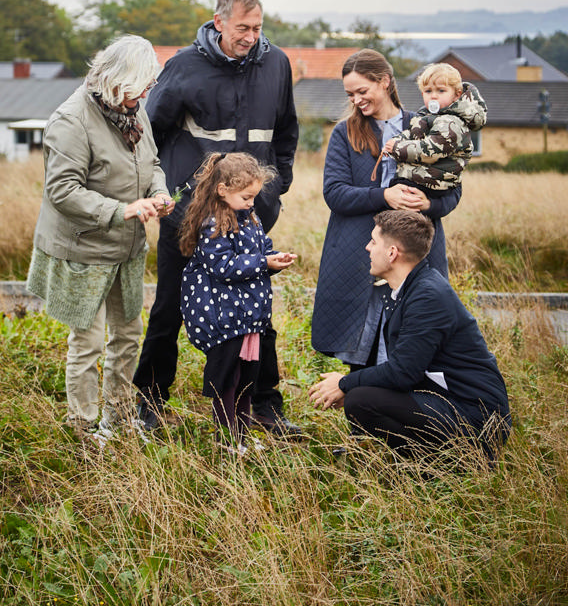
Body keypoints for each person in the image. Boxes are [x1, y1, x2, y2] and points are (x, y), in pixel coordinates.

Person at [132, 0, 300, 435]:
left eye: (257, 27)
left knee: (257, 311)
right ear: (219, 21)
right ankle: (149, 401)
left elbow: (286, 131)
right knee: (168, 307)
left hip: (251, 215)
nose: (250, 36)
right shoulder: (184, 67)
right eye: (242, 27)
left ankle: (264, 405)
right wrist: (170, 193)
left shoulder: (277, 64)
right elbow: (151, 134)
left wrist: (274, 188)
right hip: (188, 219)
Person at [27, 35, 174, 444]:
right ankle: (84, 428)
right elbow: (63, 190)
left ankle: (120, 421)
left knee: (127, 337)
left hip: (126, 248)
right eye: (140, 86)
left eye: (148, 86)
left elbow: (153, 163)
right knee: (87, 343)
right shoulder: (71, 120)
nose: (146, 94)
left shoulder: (134, 110)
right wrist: (122, 209)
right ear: (115, 80)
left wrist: (157, 192)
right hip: (84, 248)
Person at [309, 210, 511, 457]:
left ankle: (441, 467)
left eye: (373, 241)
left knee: (360, 400)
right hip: (450, 402)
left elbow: (402, 373)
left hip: (477, 417)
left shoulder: (427, 296)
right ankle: (413, 465)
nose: (367, 248)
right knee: (362, 397)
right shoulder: (412, 287)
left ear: (392, 253)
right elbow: (406, 369)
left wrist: (344, 383)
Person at [311, 49, 461, 368]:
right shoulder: (344, 133)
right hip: (360, 256)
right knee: (362, 353)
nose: (356, 100)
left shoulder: (426, 126)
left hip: (415, 257)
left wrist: (429, 203)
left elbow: (453, 189)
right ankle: (364, 412)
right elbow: (335, 193)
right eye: (350, 94)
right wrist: (385, 196)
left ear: (385, 82)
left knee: (416, 349)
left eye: (362, 91)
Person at [179, 153, 296, 452]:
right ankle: (227, 440)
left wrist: (274, 258)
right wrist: (263, 263)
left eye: (254, 196)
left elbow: (262, 249)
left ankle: (241, 435)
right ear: (223, 190)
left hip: (248, 318)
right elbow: (224, 267)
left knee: (246, 379)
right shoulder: (213, 226)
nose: (251, 203)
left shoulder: (250, 219)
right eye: (246, 196)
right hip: (225, 319)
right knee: (227, 380)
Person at [378, 62, 487, 196]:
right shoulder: (426, 116)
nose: (433, 96)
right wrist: (394, 141)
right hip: (423, 177)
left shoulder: (451, 122)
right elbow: (412, 134)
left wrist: (397, 148)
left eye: (441, 90)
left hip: (436, 181)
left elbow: (430, 151)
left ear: (457, 95)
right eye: (428, 91)